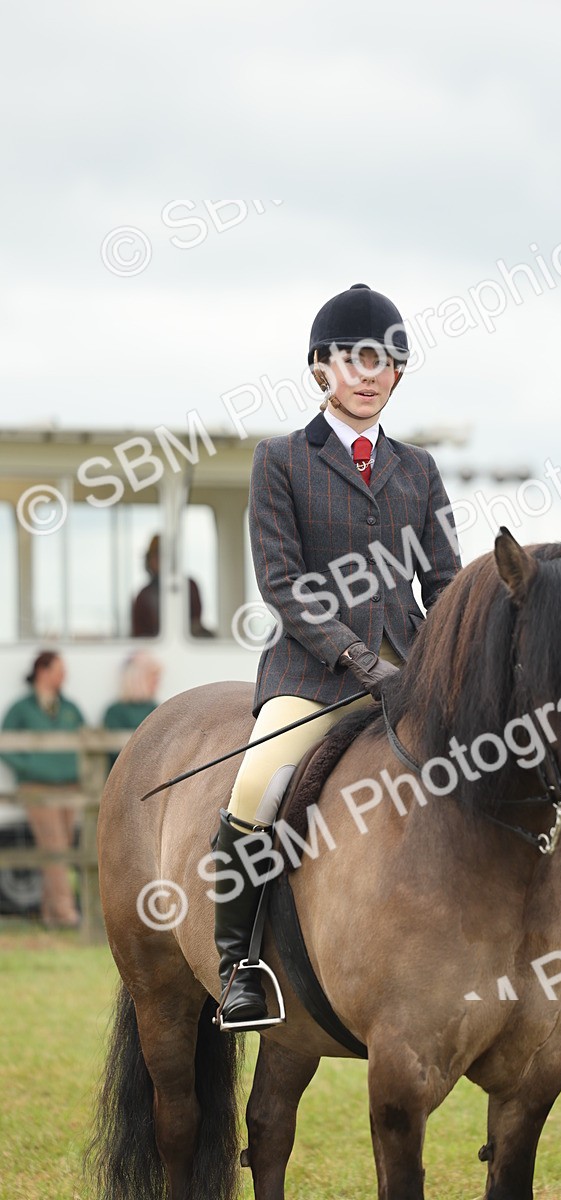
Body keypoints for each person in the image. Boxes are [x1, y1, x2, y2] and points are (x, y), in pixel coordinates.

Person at [213, 283, 461, 1029]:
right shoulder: (281, 460)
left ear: (397, 375)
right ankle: (240, 966)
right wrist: (360, 659)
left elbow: (445, 580)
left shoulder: (418, 469)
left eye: (384, 361)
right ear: (322, 367)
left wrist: (450, 655)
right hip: (312, 675)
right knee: (257, 782)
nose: (368, 372)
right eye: (353, 358)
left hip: (414, 669)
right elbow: (282, 584)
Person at [0, 651, 85, 928]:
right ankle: (66, 912)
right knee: (55, 846)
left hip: (69, 786)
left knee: (65, 847)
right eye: (59, 669)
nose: (64, 675)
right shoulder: (22, 708)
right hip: (38, 787)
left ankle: (51, 914)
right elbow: (6, 742)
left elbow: (85, 737)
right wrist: (28, 767)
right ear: (43, 671)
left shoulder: (69, 707)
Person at [131, 534, 213, 638]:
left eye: (163, 556)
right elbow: (139, 635)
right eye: (155, 556)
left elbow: (196, 621)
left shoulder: (189, 586)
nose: (159, 560)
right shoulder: (143, 596)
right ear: (149, 560)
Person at [103, 652, 162, 769]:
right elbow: (115, 754)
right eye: (152, 677)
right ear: (137, 678)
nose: (157, 682)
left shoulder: (157, 708)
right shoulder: (115, 712)